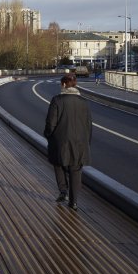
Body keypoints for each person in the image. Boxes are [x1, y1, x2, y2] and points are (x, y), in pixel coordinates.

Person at [43, 73, 93, 211]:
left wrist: (48, 136)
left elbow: (50, 123)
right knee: (76, 170)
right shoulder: (84, 102)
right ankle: (74, 202)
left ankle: (63, 191)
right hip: (80, 143)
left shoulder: (57, 100)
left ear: (64, 85)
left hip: (61, 142)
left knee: (58, 163)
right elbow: (88, 125)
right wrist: (86, 142)